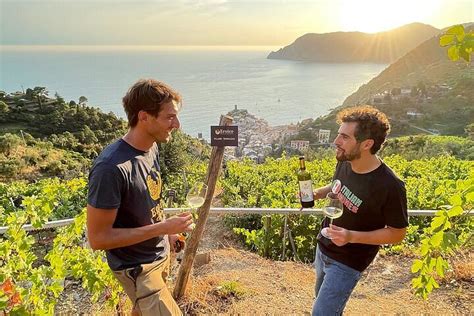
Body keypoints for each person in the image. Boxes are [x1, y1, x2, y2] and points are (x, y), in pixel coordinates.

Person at [86, 78, 193, 316]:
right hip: (138, 268)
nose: (177, 124)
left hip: (158, 253)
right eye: (169, 117)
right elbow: (98, 238)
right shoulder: (110, 168)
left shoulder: (151, 147)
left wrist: (168, 232)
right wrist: (162, 228)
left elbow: (148, 201)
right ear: (144, 117)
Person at [311, 105, 408, 315]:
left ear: (367, 144)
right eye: (339, 135)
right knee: (323, 303)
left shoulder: (390, 185)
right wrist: (317, 193)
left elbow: (397, 233)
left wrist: (350, 236)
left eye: (345, 137)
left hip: (348, 261)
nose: (336, 142)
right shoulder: (346, 161)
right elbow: (337, 185)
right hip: (324, 247)